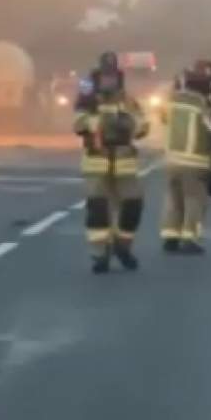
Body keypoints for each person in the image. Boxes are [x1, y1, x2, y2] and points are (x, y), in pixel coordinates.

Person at [74, 51, 149, 274]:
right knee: (97, 210)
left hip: (125, 163)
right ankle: (100, 254)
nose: (109, 83)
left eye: (113, 78)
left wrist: (129, 125)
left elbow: (144, 125)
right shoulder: (88, 99)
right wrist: (99, 124)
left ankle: (122, 246)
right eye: (105, 77)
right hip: (97, 162)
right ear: (98, 77)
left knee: (133, 206)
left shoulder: (128, 101)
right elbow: (78, 124)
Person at [160, 59, 211, 254]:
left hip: (172, 162)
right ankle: (189, 238)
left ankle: (170, 235)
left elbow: (163, 119)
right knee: (195, 200)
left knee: (173, 199)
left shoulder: (172, 99)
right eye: (209, 82)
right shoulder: (203, 104)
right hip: (196, 162)